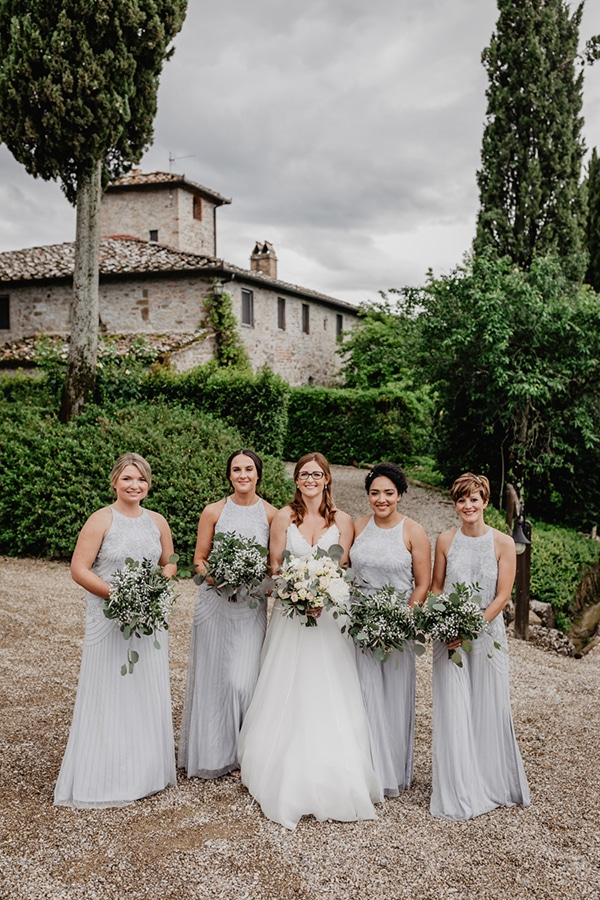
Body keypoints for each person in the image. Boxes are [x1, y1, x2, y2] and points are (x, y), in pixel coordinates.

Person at [238, 452, 381, 830]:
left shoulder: (343, 521)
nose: (310, 480)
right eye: (304, 474)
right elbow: (275, 567)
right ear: (296, 480)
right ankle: (280, 762)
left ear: (327, 479)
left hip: (332, 617)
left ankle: (335, 767)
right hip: (292, 615)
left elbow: (345, 568)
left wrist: (323, 594)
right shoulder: (284, 517)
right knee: (290, 682)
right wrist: (298, 594)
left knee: (330, 686)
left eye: (317, 474)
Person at [54, 453, 177, 808]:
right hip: (108, 618)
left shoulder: (157, 521)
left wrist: (154, 588)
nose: (134, 485)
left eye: (141, 479)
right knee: (108, 689)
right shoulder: (100, 519)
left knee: (143, 688)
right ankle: (104, 776)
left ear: (148, 484)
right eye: (127, 478)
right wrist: (119, 594)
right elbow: (79, 568)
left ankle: (144, 773)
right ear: (114, 482)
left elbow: (169, 563)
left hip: (148, 620)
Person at [429, 472, 530, 820]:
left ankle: (490, 781)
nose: (467, 505)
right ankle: (459, 786)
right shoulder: (445, 540)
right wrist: (445, 622)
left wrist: (469, 628)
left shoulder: (503, 543)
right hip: (449, 638)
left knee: (488, 705)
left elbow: (502, 596)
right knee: (454, 706)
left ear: (485, 501)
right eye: (461, 500)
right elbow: (437, 587)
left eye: (474, 499)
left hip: (486, 635)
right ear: (455, 504)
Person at [178, 449, 277, 779]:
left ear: (258, 474)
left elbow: (274, 566)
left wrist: (257, 582)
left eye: (249, 469)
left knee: (243, 680)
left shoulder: (273, 515)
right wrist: (220, 578)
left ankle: (243, 754)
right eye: (236, 469)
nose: (243, 475)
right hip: (214, 603)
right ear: (229, 475)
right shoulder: (213, 511)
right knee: (215, 678)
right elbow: (199, 560)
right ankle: (213, 753)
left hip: (250, 606)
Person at [350, 461, 431, 797]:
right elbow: (343, 569)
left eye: (388, 493)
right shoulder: (357, 526)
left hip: (398, 626)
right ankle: (364, 770)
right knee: (362, 695)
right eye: (374, 493)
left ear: (400, 494)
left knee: (393, 697)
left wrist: (402, 620)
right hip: (359, 623)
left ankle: (391, 772)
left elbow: (423, 584)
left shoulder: (414, 531)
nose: (381, 499)